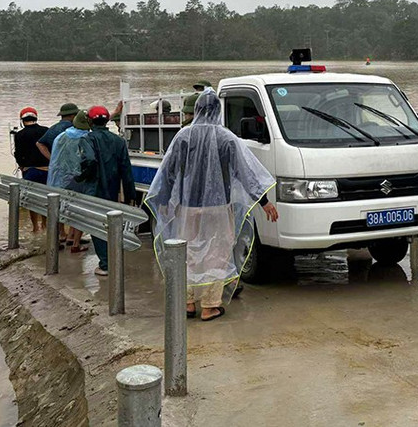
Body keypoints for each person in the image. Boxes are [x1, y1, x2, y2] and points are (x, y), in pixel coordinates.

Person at [146, 89, 278, 321]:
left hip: (187, 208)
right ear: (218, 111)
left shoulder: (183, 136)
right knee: (217, 254)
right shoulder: (227, 138)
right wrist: (265, 202)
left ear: (196, 110)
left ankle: (187, 302)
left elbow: (167, 173)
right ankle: (209, 306)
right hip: (218, 208)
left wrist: (164, 201)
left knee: (187, 253)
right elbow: (246, 172)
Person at [77, 105, 136, 276]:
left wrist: (81, 177)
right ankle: (114, 260)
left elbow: (89, 160)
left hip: (94, 189)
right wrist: (131, 195)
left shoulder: (87, 139)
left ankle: (105, 264)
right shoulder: (118, 141)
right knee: (113, 225)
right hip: (113, 190)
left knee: (97, 226)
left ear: (89, 120)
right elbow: (126, 169)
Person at [48, 110, 93, 252]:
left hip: (58, 178)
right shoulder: (86, 137)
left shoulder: (61, 136)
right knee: (78, 208)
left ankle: (59, 238)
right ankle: (75, 242)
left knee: (58, 208)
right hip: (78, 178)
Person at [12, 107, 49, 232]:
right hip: (47, 170)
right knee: (46, 198)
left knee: (32, 200)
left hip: (29, 171)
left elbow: (18, 153)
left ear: (22, 120)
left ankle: (35, 227)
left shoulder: (19, 135)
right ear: (36, 118)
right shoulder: (46, 131)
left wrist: (21, 166)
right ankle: (45, 224)